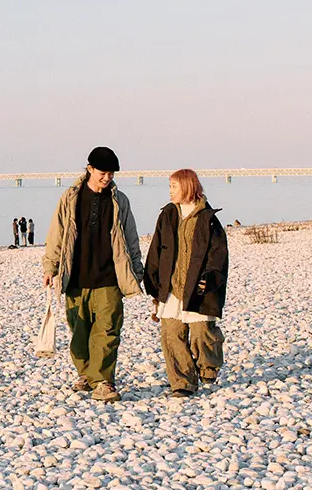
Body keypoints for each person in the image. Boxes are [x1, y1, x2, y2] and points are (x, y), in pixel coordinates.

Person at [41, 147, 145, 403]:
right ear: (89, 169)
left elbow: (130, 236)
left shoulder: (120, 200)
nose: (107, 177)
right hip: (75, 278)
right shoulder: (70, 198)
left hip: (110, 277)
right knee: (79, 333)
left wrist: (136, 271)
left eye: (111, 173)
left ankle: (103, 381)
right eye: (102, 172)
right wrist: (49, 267)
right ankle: (86, 373)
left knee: (108, 331)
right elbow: (57, 233)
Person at [144, 169, 229, 398]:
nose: (170, 191)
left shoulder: (208, 218)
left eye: (174, 186)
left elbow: (218, 255)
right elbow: (156, 248)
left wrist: (209, 279)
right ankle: (182, 382)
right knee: (171, 335)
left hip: (199, 288)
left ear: (188, 187)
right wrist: (152, 280)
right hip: (171, 287)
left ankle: (208, 366)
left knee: (203, 333)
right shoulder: (167, 215)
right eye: (169, 186)